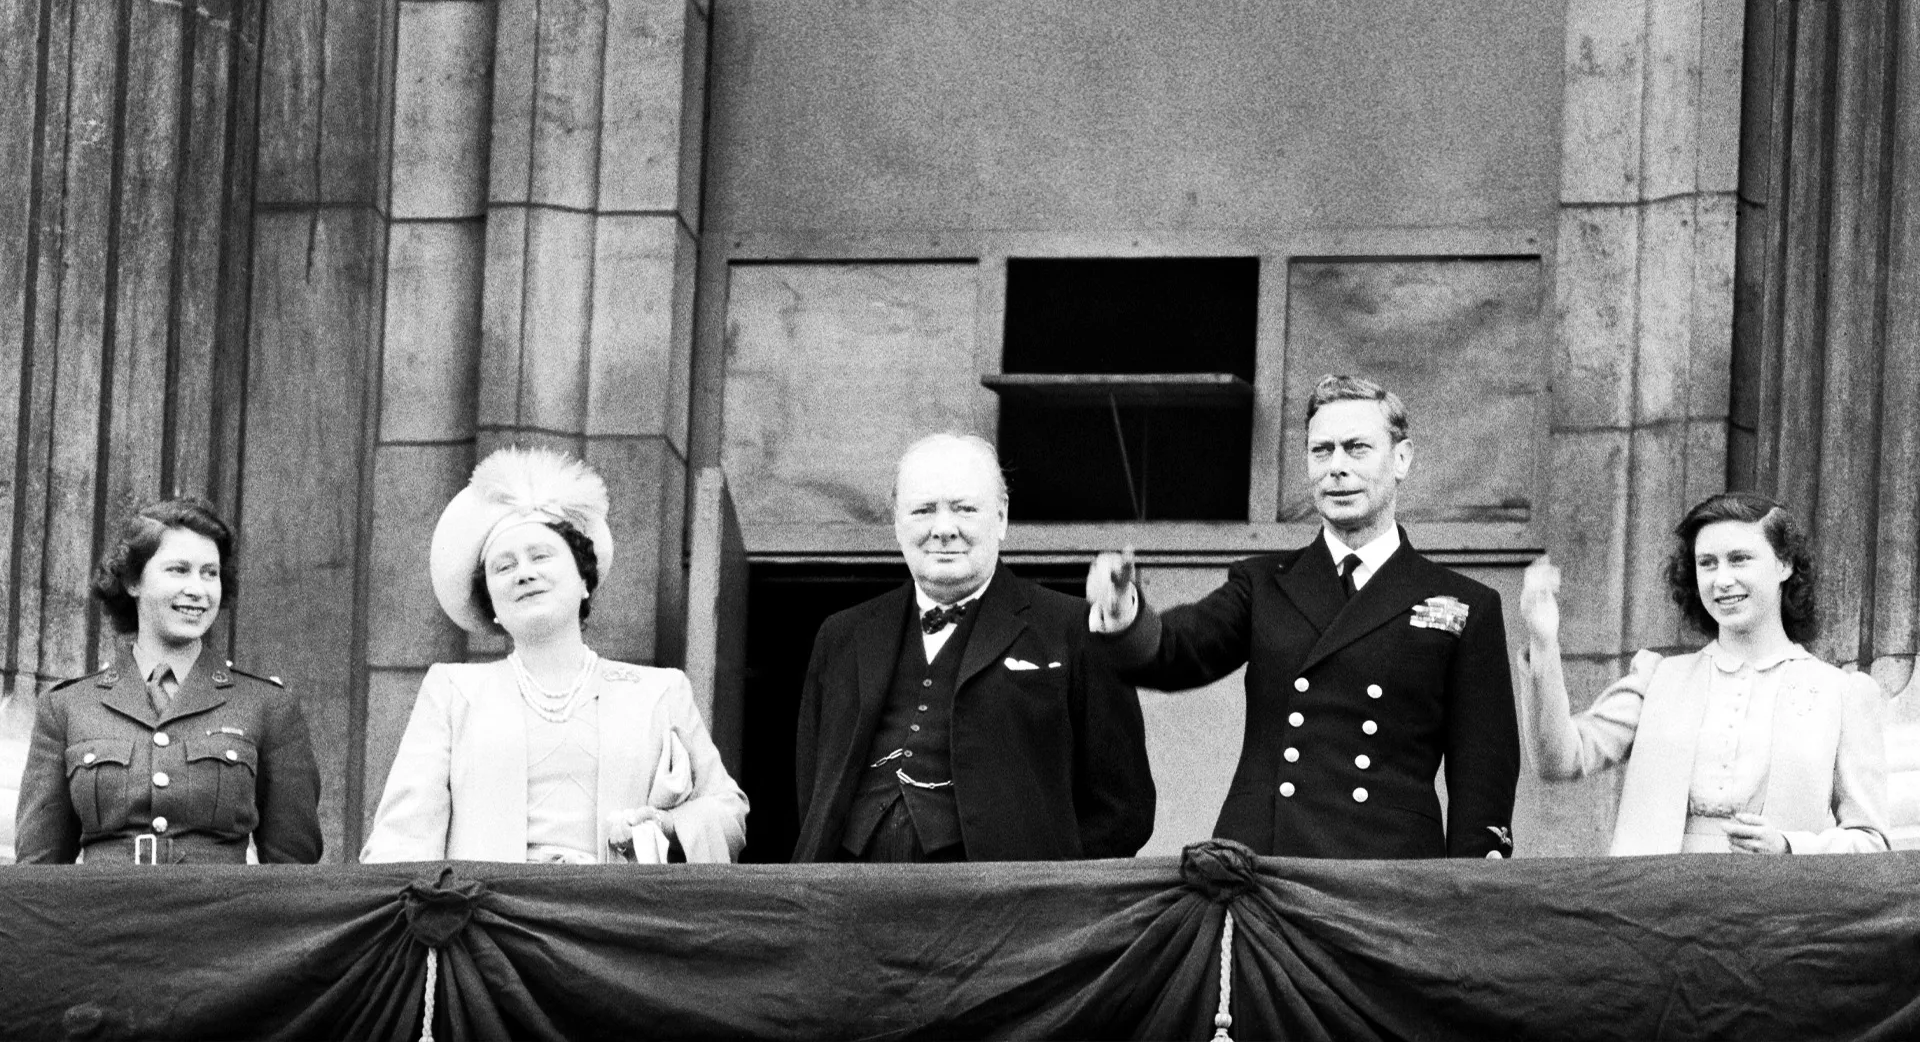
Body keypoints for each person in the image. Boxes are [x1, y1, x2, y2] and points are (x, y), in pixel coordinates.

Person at [1086, 375, 1519, 860]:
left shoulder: (1464, 603)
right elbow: (1178, 649)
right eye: (1321, 451)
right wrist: (1124, 611)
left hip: (1389, 876)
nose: (1336, 468)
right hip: (1266, 870)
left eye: (1356, 449)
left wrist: (1473, 887)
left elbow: (1483, 769)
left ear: (1402, 458)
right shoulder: (1265, 583)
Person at [361, 448, 747, 864]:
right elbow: (403, 838)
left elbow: (728, 814)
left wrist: (666, 827)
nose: (524, 573)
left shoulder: (661, 691)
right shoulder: (453, 692)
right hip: (490, 920)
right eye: (503, 567)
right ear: (491, 602)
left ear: (584, 579)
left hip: (616, 920)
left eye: (541, 556)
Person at [792, 433, 1155, 863]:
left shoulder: (1074, 629)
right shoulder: (842, 636)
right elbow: (812, 786)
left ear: (1001, 517)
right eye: (924, 510)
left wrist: (1047, 900)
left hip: (1001, 917)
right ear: (896, 522)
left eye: (964, 509)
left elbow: (1123, 809)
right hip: (849, 905)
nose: (944, 529)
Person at [1521, 492, 1890, 854]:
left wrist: (1791, 846)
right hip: (1655, 905)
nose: (1721, 580)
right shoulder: (1659, 678)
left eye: (1739, 559)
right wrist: (1543, 642)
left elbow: (1872, 841)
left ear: (1784, 565)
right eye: (1708, 563)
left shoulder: (1842, 693)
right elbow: (1560, 759)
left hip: (1773, 909)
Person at [14, 498, 323, 864]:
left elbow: (294, 872)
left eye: (210, 573)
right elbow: (41, 868)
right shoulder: (67, 707)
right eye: (179, 570)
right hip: (103, 920)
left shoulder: (268, 706)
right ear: (132, 581)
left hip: (220, 919)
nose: (198, 589)